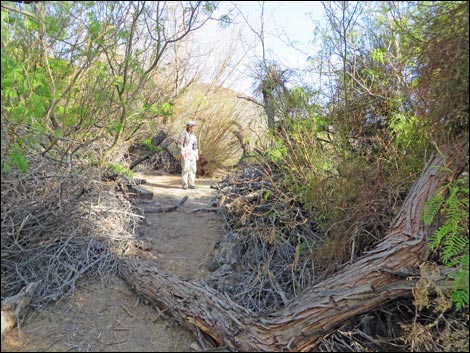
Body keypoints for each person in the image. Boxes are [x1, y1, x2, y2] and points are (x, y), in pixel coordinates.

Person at [178, 120, 199, 189]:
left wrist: (196, 154)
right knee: (185, 169)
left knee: (193, 169)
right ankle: (184, 184)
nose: (194, 128)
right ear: (189, 127)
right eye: (193, 127)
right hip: (186, 154)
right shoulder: (183, 134)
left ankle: (191, 183)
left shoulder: (194, 136)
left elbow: (195, 146)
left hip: (192, 155)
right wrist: (182, 153)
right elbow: (180, 144)